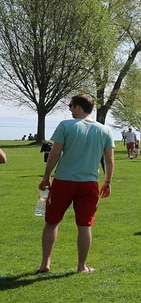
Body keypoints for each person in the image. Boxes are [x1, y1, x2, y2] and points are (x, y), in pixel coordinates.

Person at [37, 93, 114, 274]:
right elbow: (109, 160)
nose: (70, 109)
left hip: (63, 181)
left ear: (78, 107)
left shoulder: (66, 126)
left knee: (52, 222)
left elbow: (54, 154)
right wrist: (108, 181)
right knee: (85, 225)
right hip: (89, 183)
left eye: (71, 106)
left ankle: (45, 264)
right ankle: (81, 267)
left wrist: (46, 177)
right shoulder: (105, 130)